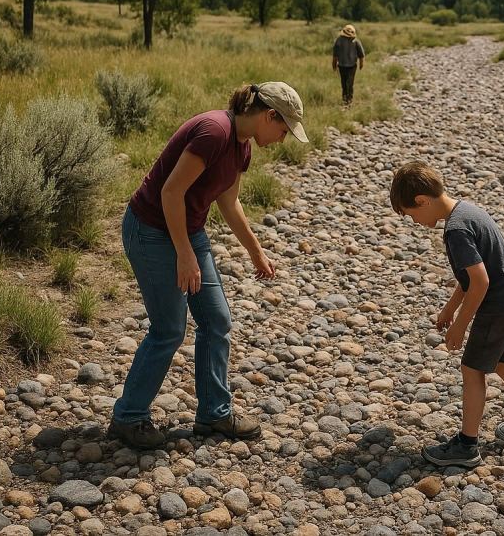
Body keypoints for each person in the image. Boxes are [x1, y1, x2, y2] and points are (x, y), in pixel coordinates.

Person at [107, 82, 309, 449]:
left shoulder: (242, 146)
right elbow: (171, 192)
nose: (282, 139)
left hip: (188, 232)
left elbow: (230, 203)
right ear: (269, 115)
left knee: (217, 321)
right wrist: (184, 254)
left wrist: (256, 251)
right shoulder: (214, 132)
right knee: (169, 330)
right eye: (284, 130)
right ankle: (128, 417)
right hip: (151, 230)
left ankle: (214, 414)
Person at [390, 161, 504, 468]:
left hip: (498, 304)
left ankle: (466, 446)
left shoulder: (456, 230)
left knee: (471, 370)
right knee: (503, 362)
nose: (415, 221)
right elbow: (471, 277)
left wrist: (460, 326)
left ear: (422, 201)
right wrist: (450, 308)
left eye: (411, 215)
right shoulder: (467, 211)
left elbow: (480, 282)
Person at [332, 24, 365, 106]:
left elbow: (361, 55)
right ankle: (346, 99)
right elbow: (361, 55)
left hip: (349, 66)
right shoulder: (340, 40)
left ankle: (348, 99)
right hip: (345, 65)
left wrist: (334, 64)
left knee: (347, 83)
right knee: (346, 83)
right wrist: (361, 64)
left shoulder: (354, 41)